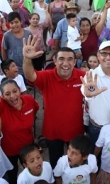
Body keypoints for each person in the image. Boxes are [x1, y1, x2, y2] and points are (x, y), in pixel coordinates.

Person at [23, 36, 85, 168]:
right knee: (55, 165)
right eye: (61, 59)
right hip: (52, 131)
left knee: (75, 166)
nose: (65, 63)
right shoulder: (47, 76)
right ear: (55, 61)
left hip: (76, 130)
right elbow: (30, 75)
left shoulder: (83, 77)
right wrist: (27, 58)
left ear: (75, 62)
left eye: (70, 59)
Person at [0, 66, 38, 183]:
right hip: (9, 151)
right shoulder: (1, 106)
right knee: (12, 176)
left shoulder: (29, 100)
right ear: (2, 96)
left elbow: (35, 112)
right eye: (7, 94)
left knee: (32, 173)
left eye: (15, 91)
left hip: (28, 146)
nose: (12, 96)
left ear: (19, 90)